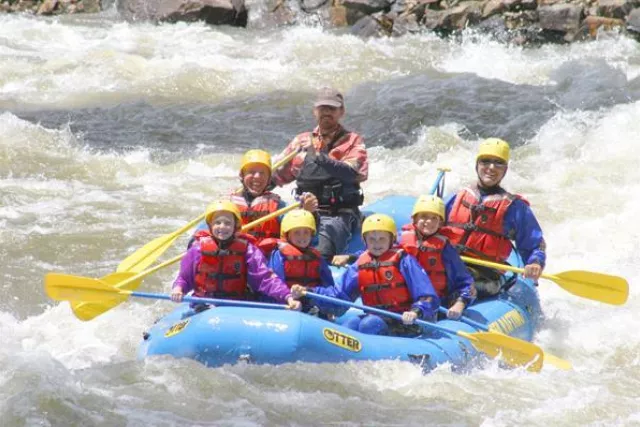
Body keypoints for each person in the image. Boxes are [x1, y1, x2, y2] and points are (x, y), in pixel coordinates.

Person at [294, 214, 440, 336]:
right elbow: (338, 296)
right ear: (364, 241)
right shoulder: (360, 264)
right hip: (376, 316)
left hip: (404, 320)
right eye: (372, 239)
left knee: (369, 324)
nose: (377, 244)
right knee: (349, 326)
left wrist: (416, 311)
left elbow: (427, 294)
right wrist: (310, 292)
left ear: (392, 239)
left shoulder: (404, 261)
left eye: (382, 238)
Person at [271, 87, 368, 261]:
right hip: (304, 211)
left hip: (338, 214)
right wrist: (247, 189)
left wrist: (318, 157)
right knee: (280, 250)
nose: (327, 113)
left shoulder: (353, 141)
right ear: (315, 111)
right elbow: (277, 176)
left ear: (341, 112)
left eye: (332, 109)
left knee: (320, 254)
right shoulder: (301, 141)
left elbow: (352, 173)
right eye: (323, 108)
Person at [444, 138, 546, 297]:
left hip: (485, 274)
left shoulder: (515, 208)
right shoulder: (456, 198)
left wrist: (535, 262)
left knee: (458, 285)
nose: (491, 168)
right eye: (485, 161)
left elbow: (535, 245)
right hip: (449, 264)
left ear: (505, 170)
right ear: (477, 165)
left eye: (498, 163)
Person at [171, 200, 301, 311]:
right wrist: (178, 289)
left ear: (235, 227)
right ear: (210, 226)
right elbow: (184, 278)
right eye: (217, 223)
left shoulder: (248, 250)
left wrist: (287, 296)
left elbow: (264, 278)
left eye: (228, 223)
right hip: (203, 304)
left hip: (235, 305)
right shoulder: (197, 249)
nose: (222, 227)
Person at [399, 195, 475, 319]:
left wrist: (459, 304)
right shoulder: (399, 240)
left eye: (434, 218)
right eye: (423, 216)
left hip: (433, 304)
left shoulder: (445, 249)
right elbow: (377, 253)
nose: (428, 222)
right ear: (414, 219)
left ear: (440, 222)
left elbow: (466, 282)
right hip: (402, 301)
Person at [229, 149, 318, 249]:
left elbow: (302, 236)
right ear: (242, 175)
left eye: (262, 173)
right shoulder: (229, 203)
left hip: (268, 259)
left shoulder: (279, 206)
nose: (257, 177)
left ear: (269, 178)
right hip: (237, 259)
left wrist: (308, 213)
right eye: (251, 172)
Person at [267, 209, 338, 316]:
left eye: (306, 232)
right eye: (297, 232)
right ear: (287, 235)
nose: (302, 237)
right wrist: (289, 298)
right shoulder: (279, 256)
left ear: (311, 234)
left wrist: (325, 305)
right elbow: (274, 282)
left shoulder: (316, 257)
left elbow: (328, 285)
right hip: (287, 302)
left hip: (311, 302)